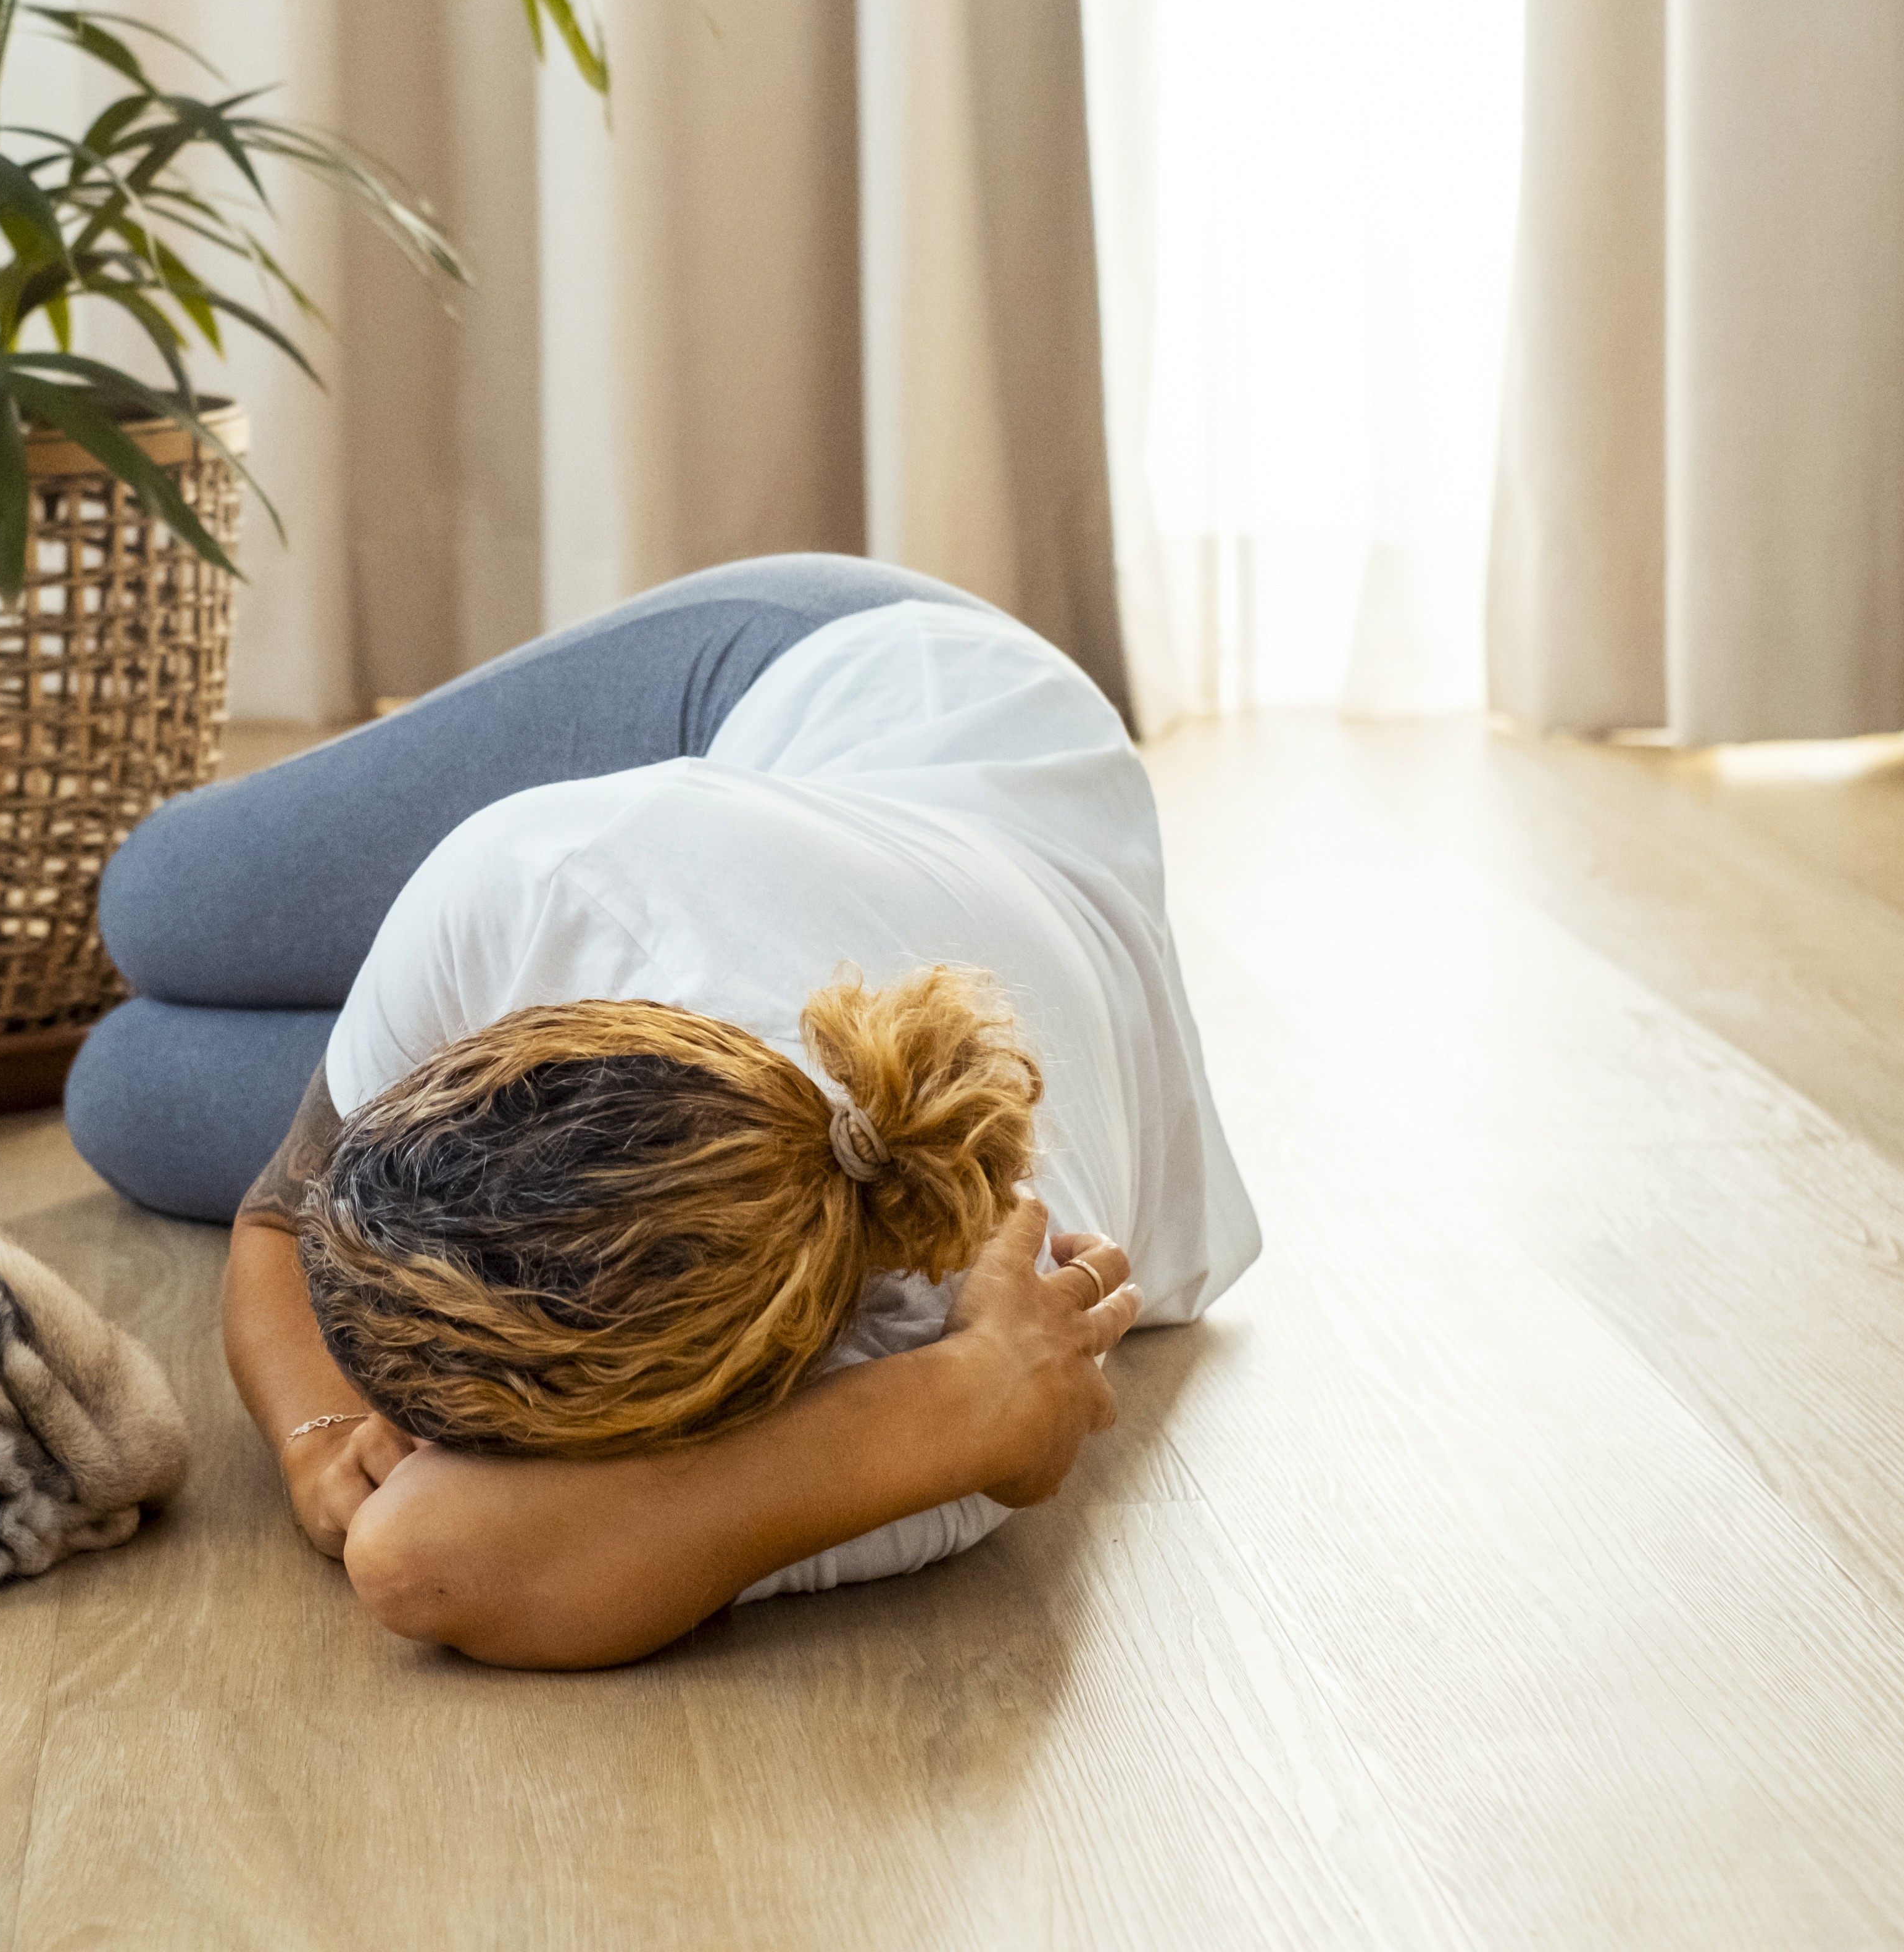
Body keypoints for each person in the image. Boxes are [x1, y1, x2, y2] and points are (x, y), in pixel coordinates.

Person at [65, 555, 1262, 1668]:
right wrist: (319, 1426)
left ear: (665, 1420)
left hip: (903, 867)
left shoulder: (932, 1346)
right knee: (155, 900)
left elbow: (422, 1556)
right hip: (886, 686)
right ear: (533, 1035)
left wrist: (968, 1402)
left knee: (124, 1093)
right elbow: (285, 1217)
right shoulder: (538, 883)